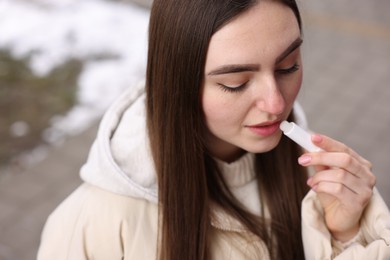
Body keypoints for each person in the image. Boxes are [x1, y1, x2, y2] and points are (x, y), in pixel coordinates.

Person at [37, 0, 390, 259]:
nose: (276, 103)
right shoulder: (91, 225)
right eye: (236, 83)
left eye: (288, 66)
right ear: (176, 83)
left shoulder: (316, 178)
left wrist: (344, 234)